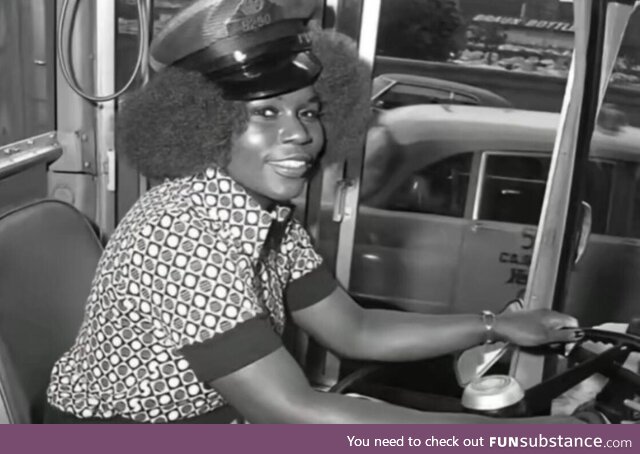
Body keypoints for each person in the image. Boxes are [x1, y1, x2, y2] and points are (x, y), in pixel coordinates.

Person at [44, 0, 587, 424]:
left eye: (308, 110)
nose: (300, 133)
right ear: (204, 125)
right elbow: (290, 412)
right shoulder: (184, 231)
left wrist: (498, 326)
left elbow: (356, 329)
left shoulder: (263, 214)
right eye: (266, 112)